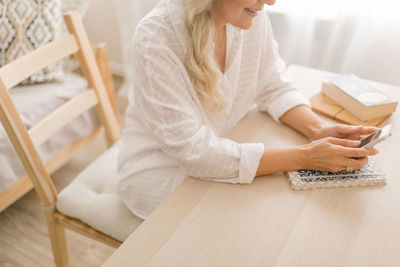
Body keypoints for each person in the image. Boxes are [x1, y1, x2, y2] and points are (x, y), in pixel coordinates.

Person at [117, 0, 378, 219]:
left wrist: (318, 129)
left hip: (223, 147)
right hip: (162, 172)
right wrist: (305, 157)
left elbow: (271, 85)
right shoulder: (156, 37)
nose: (272, 1)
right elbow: (192, 151)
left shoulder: (249, 15)